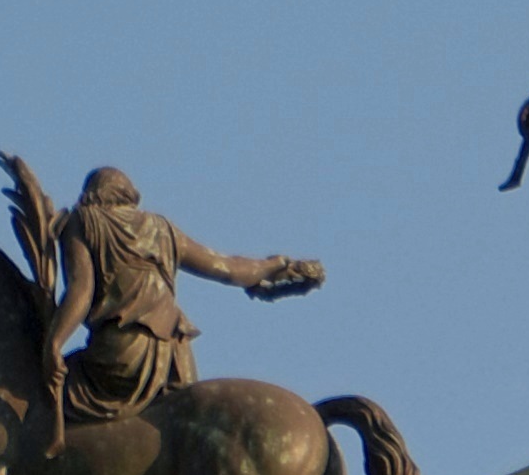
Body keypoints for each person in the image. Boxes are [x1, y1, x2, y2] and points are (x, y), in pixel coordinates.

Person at [37, 168, 322, 429]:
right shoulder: (162, 228)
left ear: (90, 195)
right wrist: (274, 265)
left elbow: (80, 291)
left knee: (42, 398)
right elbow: (226, 268)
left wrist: (54, 342)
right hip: (172, 355)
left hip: (121, 354)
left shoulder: (83, 221)